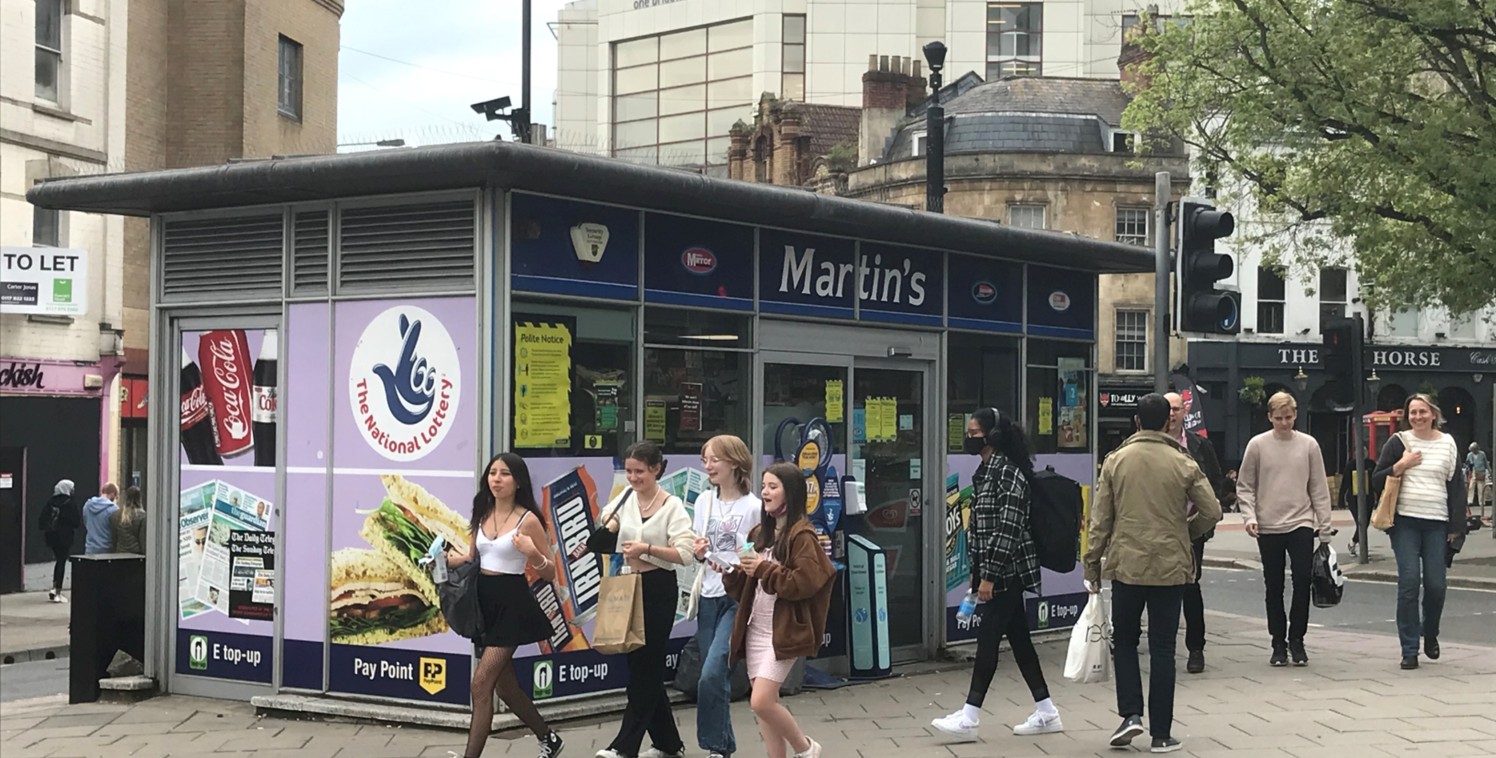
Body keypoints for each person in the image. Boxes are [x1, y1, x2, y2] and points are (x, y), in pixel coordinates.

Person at [1085, 393, 1221, 754]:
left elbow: (1100, 521)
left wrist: (1092, 564)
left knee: (1126, 642)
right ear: (1167, 422)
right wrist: (1186, 531)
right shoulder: (1184, 462)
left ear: (1136, 422)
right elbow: (1212, 510)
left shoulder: (1116, 461)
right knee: (1163, 647)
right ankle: (1161, 733)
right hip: (1170, 566)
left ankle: (1131, 714)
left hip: (1127, 565)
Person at [931, 408, 1064, 742]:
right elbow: (980, 530)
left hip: (1009, 571)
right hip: (995, 570)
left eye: (975, 432)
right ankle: (1047, 711)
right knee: (1019, 641)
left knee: (987, 639)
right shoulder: (987, 471)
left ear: (992, 436)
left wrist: (988, 577)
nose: (969, 437)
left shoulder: (1008, 474)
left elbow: (1008, 530)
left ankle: (969, 716)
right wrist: (977, 574)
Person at [445, 452, 564, 758]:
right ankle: (548, 738)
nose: (496, 479)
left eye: (504, 474)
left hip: (512, 604)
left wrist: (531, 552)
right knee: (505, 688)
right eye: (493, 473)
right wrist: (444, 559)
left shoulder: (528, 520)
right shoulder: (482, 510)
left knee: (481, 684)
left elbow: (550, 570)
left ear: (518, 482)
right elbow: (473, 557)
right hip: (483, 603)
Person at [718, 462, 834, 758]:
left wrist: (764, 569)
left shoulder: (802, 536)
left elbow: (804, 583)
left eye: (773, 487)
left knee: (761, 702)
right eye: (764, 486)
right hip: (756, 628)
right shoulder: (759, 533)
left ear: (790, 493)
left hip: (783, 632)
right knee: (765, 710)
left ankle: (806, 749)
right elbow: (746, 584)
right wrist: (730, 571)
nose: (765, 492)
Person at [587, 441, 695, 758]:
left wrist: (647, 549)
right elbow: (606, 526)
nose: (633, 478)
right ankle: (668, 743)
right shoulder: (625, 500)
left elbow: (685, 554)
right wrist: (613, 525)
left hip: (659, 586)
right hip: (630, 584)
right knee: (639, 666)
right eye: (630, 471)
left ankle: (624, 747)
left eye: (640, 472)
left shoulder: (672, 506)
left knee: (645, 669)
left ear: (656, 469)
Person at [1236, 392, 1332, 667]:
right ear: (1269, 417)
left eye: (1288, 418)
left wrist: (1324, 528)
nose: (1284, 423)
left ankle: (1297, 639)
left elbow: (1318, 488)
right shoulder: (1257, 445)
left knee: (1302, 581)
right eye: (1278, 418)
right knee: (1273, 585)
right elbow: (1245, 485)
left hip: (1300, 521)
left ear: (1296, 415)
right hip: (1267, 524)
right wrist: (1249, 517)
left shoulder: (1309, 445)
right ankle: (1278, 642)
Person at [1371, 394, 1467, 670]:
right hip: (1404, 523)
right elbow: (1378, 479)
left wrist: (1456, 529)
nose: (1418, 417)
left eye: (1422, 412)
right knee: (1410, 583)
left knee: (1436, 585)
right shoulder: (1399, 442)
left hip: (1437, 522)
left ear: (1433, 414)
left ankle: (1431, 632)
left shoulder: (1448, 444)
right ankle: (1409, 649)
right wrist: (1401, 465)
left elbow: (1456, 488)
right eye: (1413, 413)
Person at [686, 434, 761, 758]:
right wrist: (699, 550)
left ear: (734, 461)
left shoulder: (754, 507)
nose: (708, 465)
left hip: (737, 598)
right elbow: (699, 548)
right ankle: (723, 747)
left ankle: (715, 746)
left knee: (713, 673)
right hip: (708, 596)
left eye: (714, 459)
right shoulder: (704, 501)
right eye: (705, 459)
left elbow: (757, 552)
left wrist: (743, 552)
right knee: (714, 677)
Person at [1164, 392, 1226, 675]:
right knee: (1159, 588)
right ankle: (1160, 645)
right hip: (1160, 526)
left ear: (1184, 410)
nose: (1171, 415)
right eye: (1167, 410)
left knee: (1190, 586)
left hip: (1191, 527)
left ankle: (1195, 649)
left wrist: (1204, 520)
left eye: (1176, 409)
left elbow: (1216, 481)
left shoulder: (1200, 445)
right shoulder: (1152, 443)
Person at [39, 479, 80, 603]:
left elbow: (42, 519)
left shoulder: (50, 502)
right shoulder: (70, 503)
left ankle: (55, 587)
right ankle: (57, 591)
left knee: (58, 560)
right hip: (65, 537)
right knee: (62, 561)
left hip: (51, 536)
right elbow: (76, 522)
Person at [82, 483, 120, 555]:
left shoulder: (87, 505)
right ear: (113, 493)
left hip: (90, 548)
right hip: (107, 549)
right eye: (116, 496)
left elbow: (85, 522)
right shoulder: (113, 509)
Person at [110, 486, 147, 555]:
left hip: (119, 553)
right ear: (140, 498)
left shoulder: (115, 515)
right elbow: (142, 541)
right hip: (136, 555)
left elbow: (114, 538)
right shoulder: (143, 516)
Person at [1467, 442, 1490, 516]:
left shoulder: (1482, 454)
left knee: (1481, 488)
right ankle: (1470, 501)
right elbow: (1467, 464)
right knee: (1471, 487)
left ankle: (1481, 502)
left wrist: (1489, 471)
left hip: (1481, 472)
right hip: (1473, 472)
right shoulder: (1469, 455)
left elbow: (1486, 463)